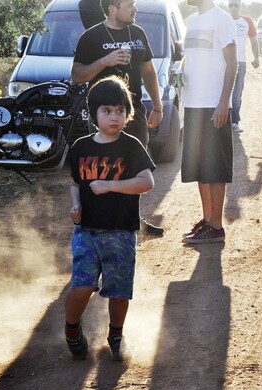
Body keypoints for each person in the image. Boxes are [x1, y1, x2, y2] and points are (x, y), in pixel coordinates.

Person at [64, 75, 155, 361]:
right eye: (107, 111)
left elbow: (147, 182)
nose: (114, 117)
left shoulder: (130, 146)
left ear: (127, 115)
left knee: (119, 291)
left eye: (119, 111)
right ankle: (72, 328)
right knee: (81, 287)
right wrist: (76, 206)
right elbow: (75, 182)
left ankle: (116, 334)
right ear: (94, 114)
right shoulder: (80, 147)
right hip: (87, 232)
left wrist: (110, 185)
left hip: (121, 231)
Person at [72, 0, 163, 235]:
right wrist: (105, 61)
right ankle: (101, 221)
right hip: (103, 115)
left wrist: (157, 106)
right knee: (105, 165)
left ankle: (135, 221)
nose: (135, 9)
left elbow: (149, 72)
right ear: (113, 8)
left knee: (135, 166)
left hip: (134, 112)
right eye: (129, 5)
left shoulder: (138, 33)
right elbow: (77, 76)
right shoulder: (91, 37)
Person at [180, 0, 237, 244]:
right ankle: (207, 221)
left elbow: (232, 64)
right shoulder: (191, 21)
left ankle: (217, 225)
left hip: (214, 104)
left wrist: (223, 102)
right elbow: (192, 59)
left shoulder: (222, 19)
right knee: (200, 168)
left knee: (215, 167)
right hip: (192, 104)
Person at [228, 0, 259, 133]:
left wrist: (256, 57)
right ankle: (224, 121)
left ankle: (235, 122)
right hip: (225, 62)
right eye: (231, 5)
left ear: (240, 6)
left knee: (236, 94)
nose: (233, 8)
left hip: (240, 62)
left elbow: (253, 41)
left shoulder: (247, 21)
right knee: (223, 92)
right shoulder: (224, 19)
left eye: (236, 5)